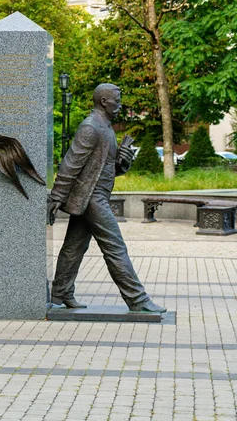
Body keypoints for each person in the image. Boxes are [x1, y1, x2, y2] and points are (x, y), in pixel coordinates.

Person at [47, 83, 166, 313]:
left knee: (74, 247)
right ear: (103, 101)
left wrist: (123, 161)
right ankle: (137, 299)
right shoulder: (91, 127)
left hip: (93, 196)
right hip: (92, 198)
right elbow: (71, 164)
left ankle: (60, 292)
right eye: (116, 100)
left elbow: (106, 168)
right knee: (116, 248)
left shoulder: (105, 127)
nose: (120, 105)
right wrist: (57, 196)